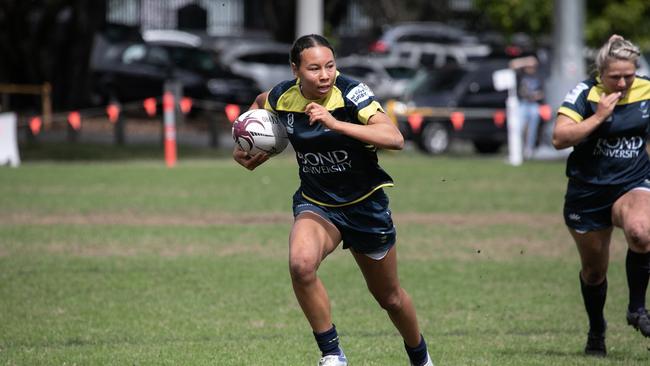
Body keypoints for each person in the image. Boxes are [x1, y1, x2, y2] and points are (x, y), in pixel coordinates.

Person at [233, 34, 433, 366]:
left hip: (365, 205)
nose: (325, 75)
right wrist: (247, 142)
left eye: (330, 66)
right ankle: (332, 354)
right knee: (301, 265)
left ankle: (421, 358)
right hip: (318, 203)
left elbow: (394, 138)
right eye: (314, 68)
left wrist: (335, 123)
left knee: (390, 298)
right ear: (295, 69)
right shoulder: (283, 95)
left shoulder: (353, 93)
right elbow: (257, 105)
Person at [552, 34, 650, 357]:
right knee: (594, 272)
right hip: (588, 191)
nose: (622, 83)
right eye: (615, 77)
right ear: (600, 73)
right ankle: (597, 330)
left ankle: (637, 308)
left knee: (641, 231)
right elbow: (559, 137)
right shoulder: (585, 94)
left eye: (629, 75)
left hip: (632, 182)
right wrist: (598, 117)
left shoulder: (646, 90)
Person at [512, 56, 545, 159]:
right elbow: (512, 64)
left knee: (532, 129)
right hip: (522, 103)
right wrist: (526, 61)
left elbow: (542, 93)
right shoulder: (521, 75)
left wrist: (536, 96)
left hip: (533, 104)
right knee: (518, 127)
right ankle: (518, 149)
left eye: (532, 66)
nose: (530, 68)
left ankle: (529, 150)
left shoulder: (539, 76)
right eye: (528, 66)